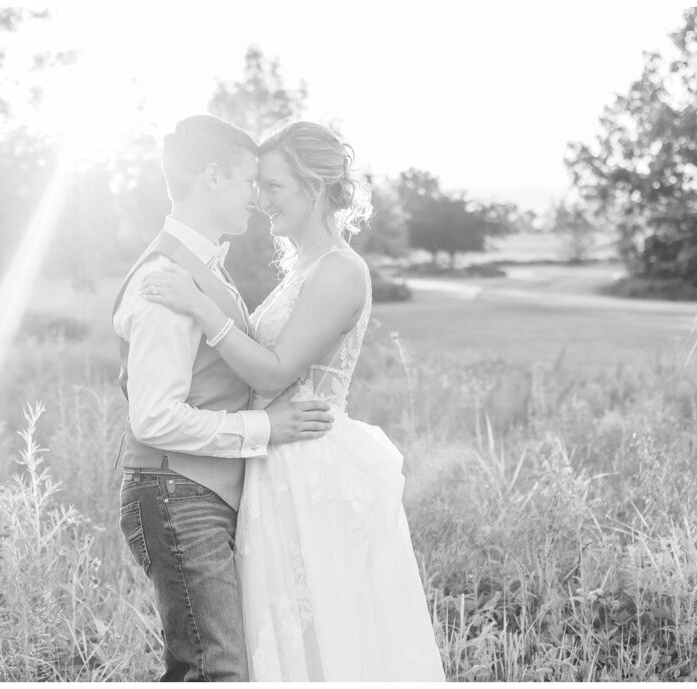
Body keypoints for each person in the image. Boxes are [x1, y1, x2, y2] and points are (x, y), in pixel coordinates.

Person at [141, 121, 447, 681]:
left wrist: (203, 309)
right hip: (274, 461)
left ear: (314, 187)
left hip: (311, 466)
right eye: (258, 185)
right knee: (274, 643)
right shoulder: (302, 266)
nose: (260, 200)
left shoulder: (341, 269)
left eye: (274, 186)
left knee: (323, 637)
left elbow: (279, 370)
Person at [112, 114, 335, 682]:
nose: (255, 199)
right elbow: (154, 419)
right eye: (246, 182)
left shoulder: (201, 270)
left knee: (210, 668)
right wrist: (265, 430)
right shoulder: (164, 280)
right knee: (219, 673)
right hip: (176, 495)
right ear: (212, 177)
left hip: (195, 494)